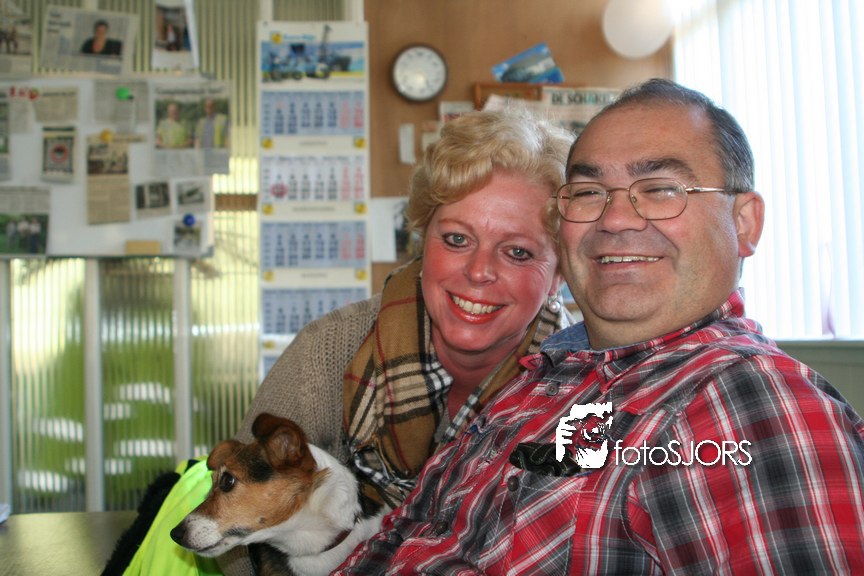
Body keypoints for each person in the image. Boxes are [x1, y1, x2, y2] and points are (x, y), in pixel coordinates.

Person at [337, 78, 864, 574]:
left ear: (744, 222)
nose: (614, 218)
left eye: (660, 188)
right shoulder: (549, 375)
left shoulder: (747, 404)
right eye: (590, 192)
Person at [115, 108, 575, 576]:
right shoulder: (327, 350)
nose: (479, 271)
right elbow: (242, 531)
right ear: (422, 240)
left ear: (561, 271)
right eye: (457, 239)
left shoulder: (593, 387)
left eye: (519, 252)